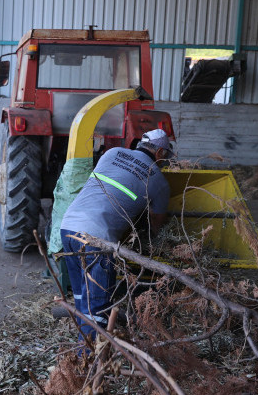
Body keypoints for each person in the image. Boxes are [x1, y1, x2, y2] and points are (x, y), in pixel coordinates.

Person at [59, 129, 173, 341]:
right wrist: (150, 243)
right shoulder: (159, 181)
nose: (164, 161)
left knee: (81, 297)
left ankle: (79, 348)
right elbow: (157, 223)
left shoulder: (112, 153)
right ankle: (89, 359)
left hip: (68, 227)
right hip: (97, 239)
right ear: (159, 152)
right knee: (99, 309)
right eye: (165, 156)